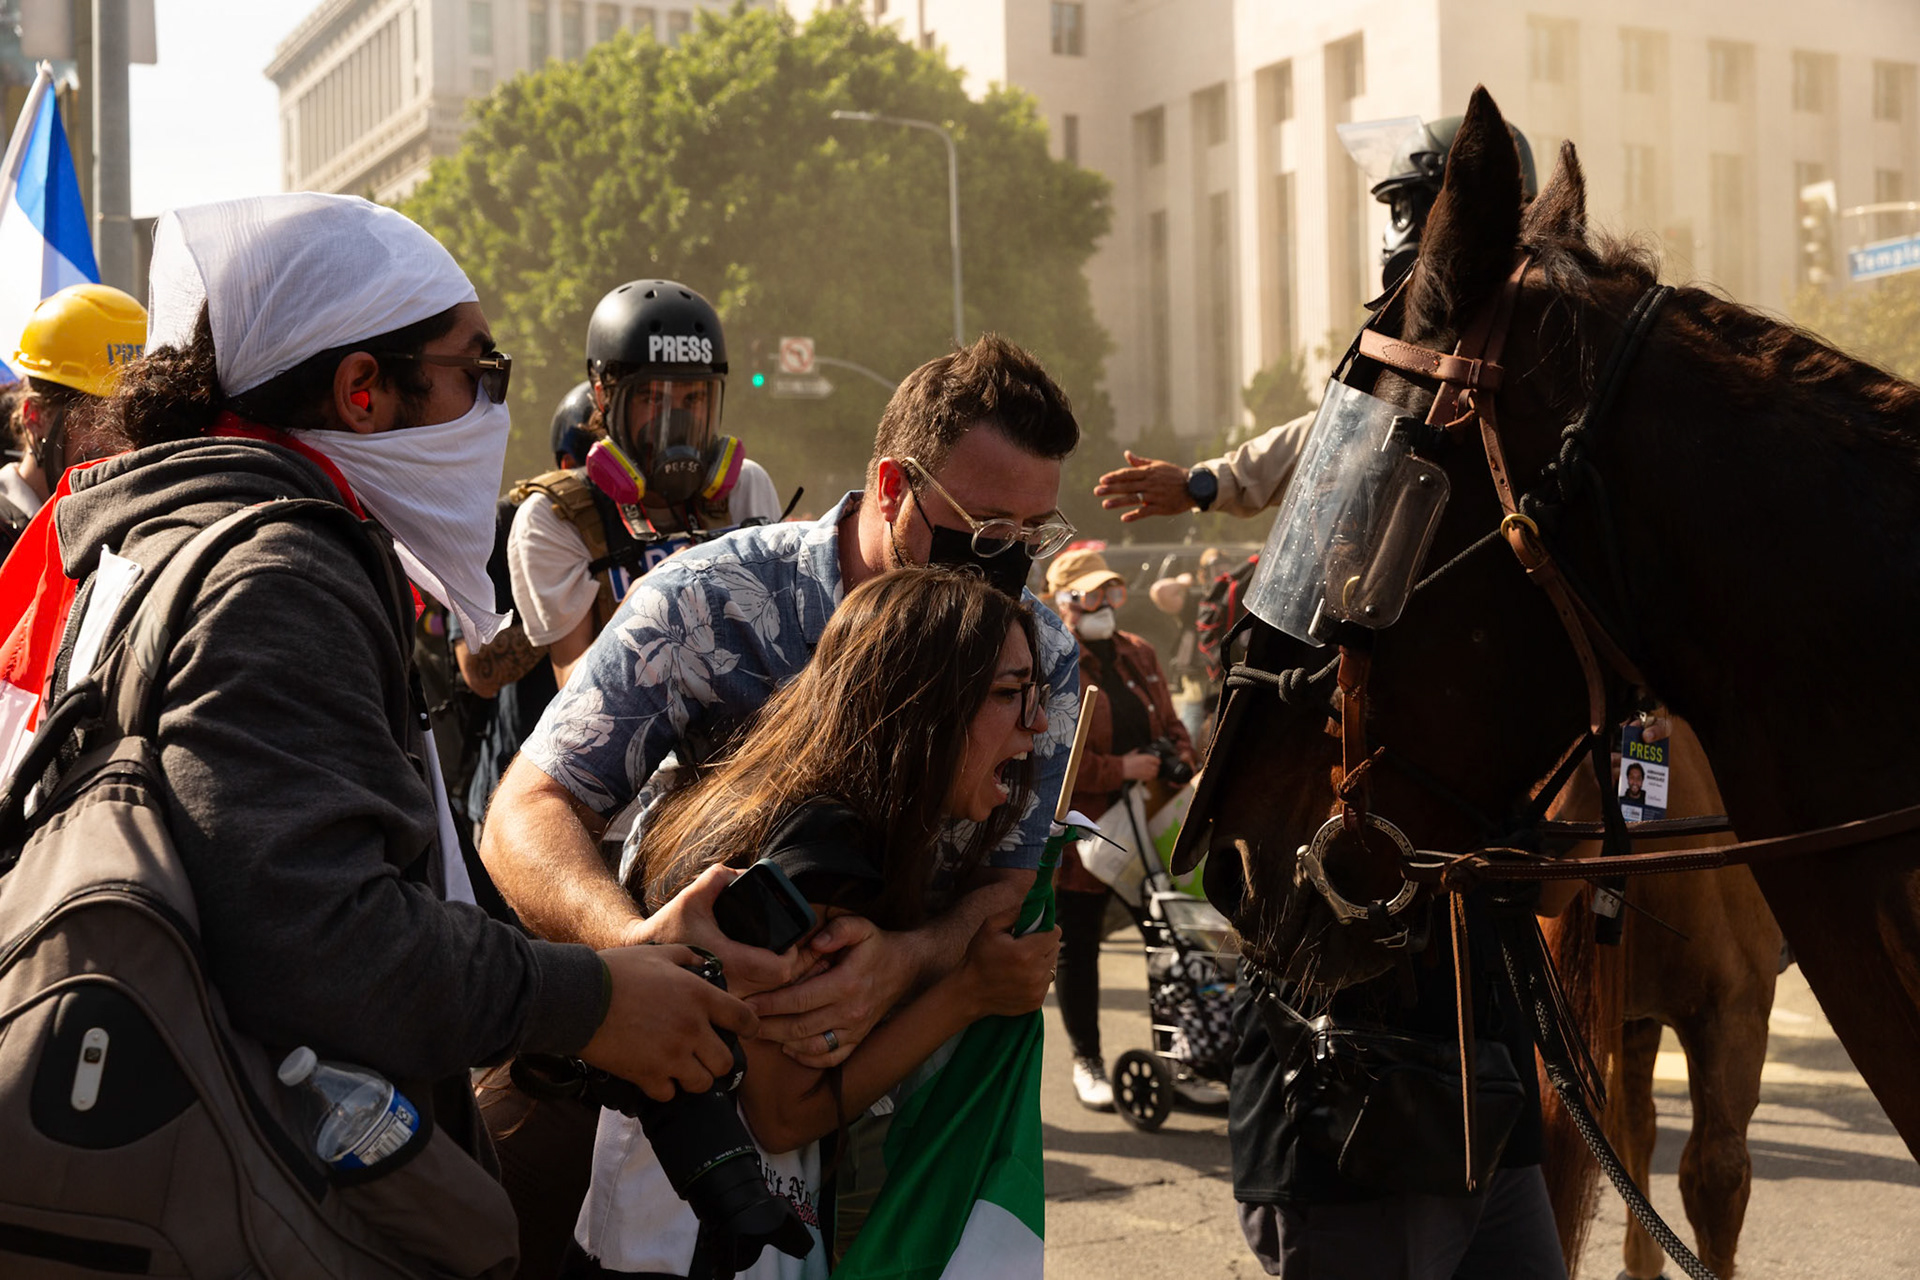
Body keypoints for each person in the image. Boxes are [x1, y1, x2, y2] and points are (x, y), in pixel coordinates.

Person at [9, 192, 803, 1201]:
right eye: (476, 375)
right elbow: (322, 939)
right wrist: (591, 996)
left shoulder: (174, 525)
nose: (494, 410)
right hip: (260, 1186)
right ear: (361, 390)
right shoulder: (276, 570)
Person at [480, 332, 1083, 1077]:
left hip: (906, 1091)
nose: (1009, 561)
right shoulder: (711, 602)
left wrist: (906, 961)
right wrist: (635, 950)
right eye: (989, 526)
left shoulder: (1043, 655)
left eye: (1033, 534)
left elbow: (1008, 879)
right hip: (688, 1077)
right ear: (894, 488)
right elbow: (527, 811)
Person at [572, 566, 1062, 1278]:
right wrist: (971, 993)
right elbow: (780, 1115)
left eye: (1037, 693)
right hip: (695, 1249)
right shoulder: (818, 854)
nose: (1037, 723)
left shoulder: (791, 806)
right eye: (1011, 694)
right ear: (926, 701)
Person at [1093, 115, 1538, 527]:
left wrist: (1207, 483)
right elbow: (1348, 428)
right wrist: (1207, 482)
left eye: (1402, 207)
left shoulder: (1530, 324)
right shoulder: (1453, 330)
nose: (1396, 227)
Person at [507, 281, 782, 691]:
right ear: (603, 395)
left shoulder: (745, 488)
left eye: (694, 400)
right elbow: (571, 682)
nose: (677, 423)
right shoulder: (555, 517)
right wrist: (644, 607)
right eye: (654, 398)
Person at [1044, 548, 1197, 1110]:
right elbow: (1048, 754)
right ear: (1063, 601)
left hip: (1150, 818)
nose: (1104, 604)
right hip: (1089, 832)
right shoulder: (1053, 661)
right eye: (1090, 595)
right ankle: (1088, 1061)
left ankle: (1182, 1053)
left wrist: (1179, 758)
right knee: (1079, 947)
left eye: (1112, 592)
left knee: (1167, 938)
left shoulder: (1139, 652)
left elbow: (1174, 726)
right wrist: (1119, 769)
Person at [0, 282, 147, 552]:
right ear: (34, 416)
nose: (115, 444)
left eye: (129, 421)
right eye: (92, 420)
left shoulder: (133, 535)